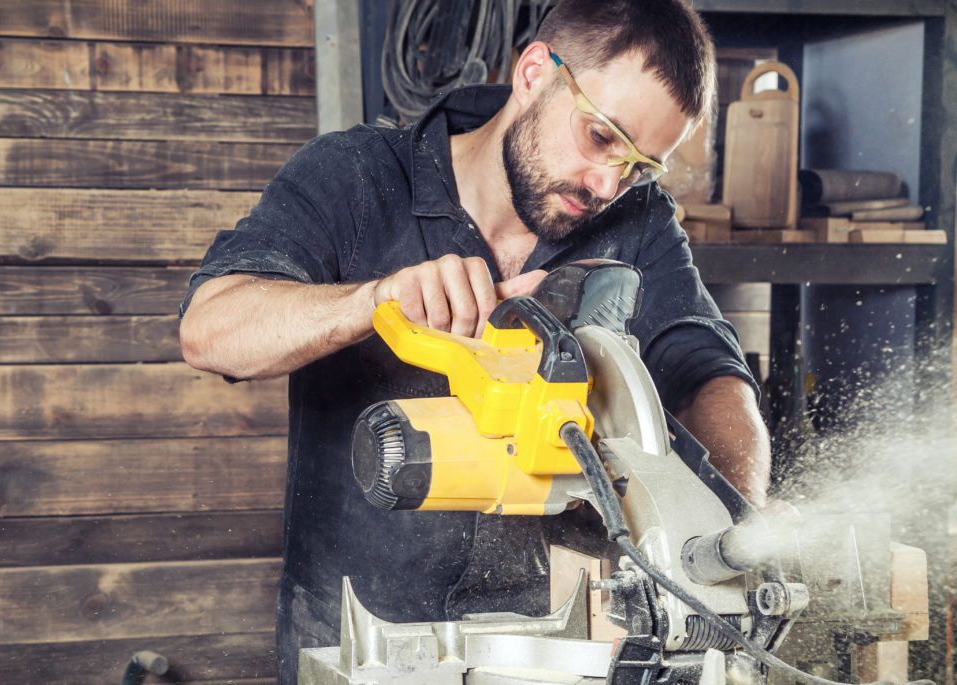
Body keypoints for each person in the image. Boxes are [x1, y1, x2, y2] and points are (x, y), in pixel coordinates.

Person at [179, 1, 770, 682]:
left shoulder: (637, 223)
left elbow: (709, 372)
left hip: (558, 652)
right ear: (534, 73)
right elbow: (210, 328)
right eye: (601, 136)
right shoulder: (358, 178)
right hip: (358, 649)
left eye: (639, 164)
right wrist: (374, 300)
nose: (608, 183)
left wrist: (733, 526)